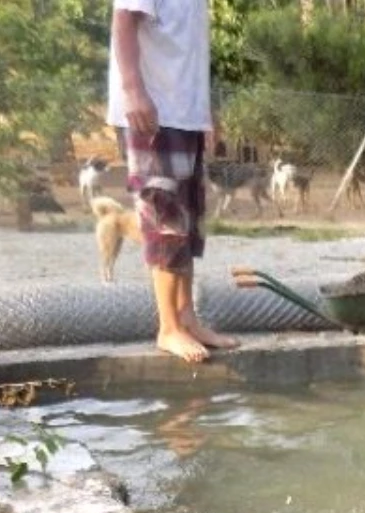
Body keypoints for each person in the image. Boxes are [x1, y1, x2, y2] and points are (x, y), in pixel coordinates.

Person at [108, 0, 237, 362]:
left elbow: (187, 50)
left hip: (185, 113)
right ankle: (168, 328)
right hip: (153, 112)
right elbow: (124, 19)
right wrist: (133, 90)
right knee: (165, 219)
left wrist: (204, 113)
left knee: (188, 223)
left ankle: (186, 318)